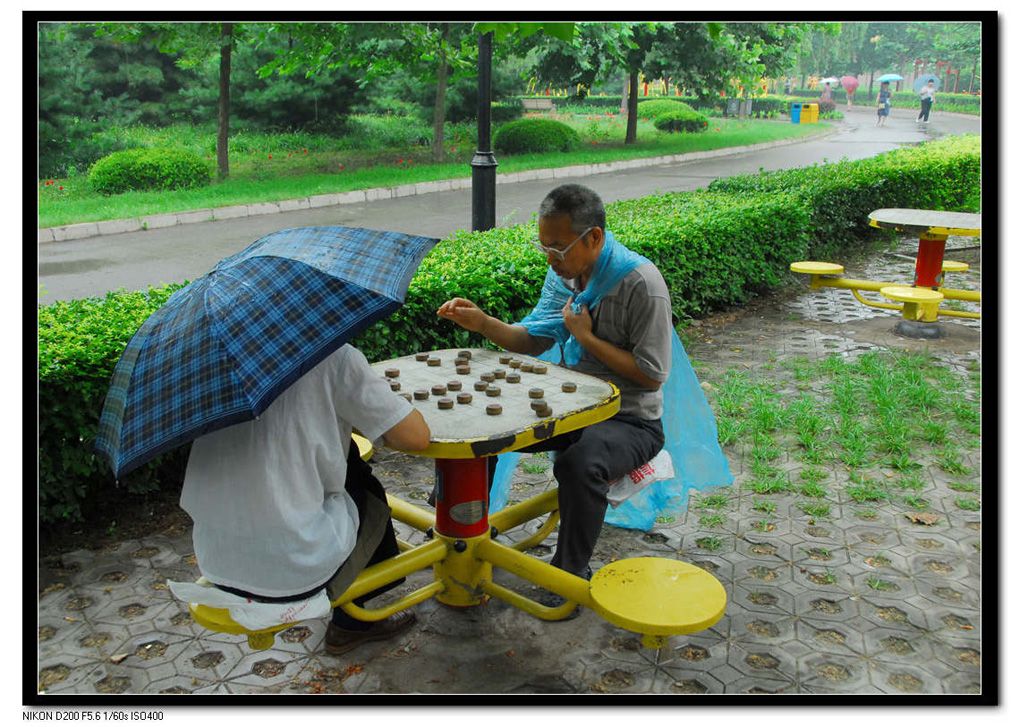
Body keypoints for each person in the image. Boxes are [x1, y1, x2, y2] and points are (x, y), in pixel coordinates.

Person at [436, 184, 674, 618]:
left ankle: (569, 572)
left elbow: (652, 373)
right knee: (478, 431)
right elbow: (530, 339)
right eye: (544, 246)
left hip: (631, 418)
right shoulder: (563, 275)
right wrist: (483, 322)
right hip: (571, 404)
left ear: (594, 238)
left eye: (559, 248)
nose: (550, 258)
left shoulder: (642, 283)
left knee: (579, 464)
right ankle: (459, 531)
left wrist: (585, 338)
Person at [179, 344, 430, 655]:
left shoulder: (209, 359)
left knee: (339, 458)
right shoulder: (333, 355)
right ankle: (352, 623)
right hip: (294, 563)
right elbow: (415, 437)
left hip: (217, 557)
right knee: (364, 487)